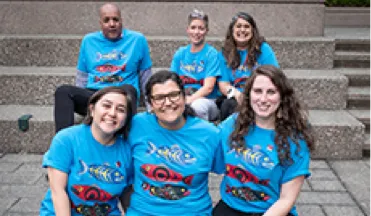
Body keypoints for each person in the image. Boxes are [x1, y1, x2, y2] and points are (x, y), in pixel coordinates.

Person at [213, 65, 314, 216]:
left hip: (271, 211)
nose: (263, 99)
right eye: (258, 91)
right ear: (249, 94)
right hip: (231, 206)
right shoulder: (232, 124)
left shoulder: (295, 138)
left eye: (271, 92)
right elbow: (205, 151)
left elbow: (286, 199)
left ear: (282, 96)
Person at [126, 70, 223, 215]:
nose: (168, 102)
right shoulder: (136, 125)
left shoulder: (209, 134)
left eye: (173, 95)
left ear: (184, 97)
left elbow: (231, 173)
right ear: (151, 103)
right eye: (159, 98)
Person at [54, 3, 152, 132]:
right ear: (100, 23)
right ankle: (63, 144)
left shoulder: (137, 40)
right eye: (107, 20)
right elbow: (82, 76)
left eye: (115, 19)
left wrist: (151, 107)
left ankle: (125, 140)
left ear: (121, 21)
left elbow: (146, 76)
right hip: (95, 94)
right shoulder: (88, 41)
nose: (112, 24)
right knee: (63, 91)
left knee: (129, 90)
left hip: (122, 94)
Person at [40, 86, 134, 215]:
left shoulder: (127, 151)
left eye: (120, 110)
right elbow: (58, 192)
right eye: (106, 106)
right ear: (92, 109)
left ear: (125, 119)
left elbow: (126, 196)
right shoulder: (66, 139)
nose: (112, 113)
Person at [218, 12, 279, 121]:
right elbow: (223, 84)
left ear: (253, 31)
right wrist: (237, 94)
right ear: (232, 30)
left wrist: (254, 94)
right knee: (228, 105)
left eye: (246, 27)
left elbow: (274, 76)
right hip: (236, 95)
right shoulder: (224, 53)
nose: (242, 30)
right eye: (238, 26)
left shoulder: (263, 49)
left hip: (259, 93)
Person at [170, 9, 221, 121]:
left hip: (207, 101)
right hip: (183, 97)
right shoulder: (180, 53)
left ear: (206, 31)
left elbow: (208, 87)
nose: (196, 32)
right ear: (187, 30)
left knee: (197, 106)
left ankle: (199, 136)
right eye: (193, 27)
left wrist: (189, 99)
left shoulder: (211, 54)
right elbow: (172, 82)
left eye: (201, 28)